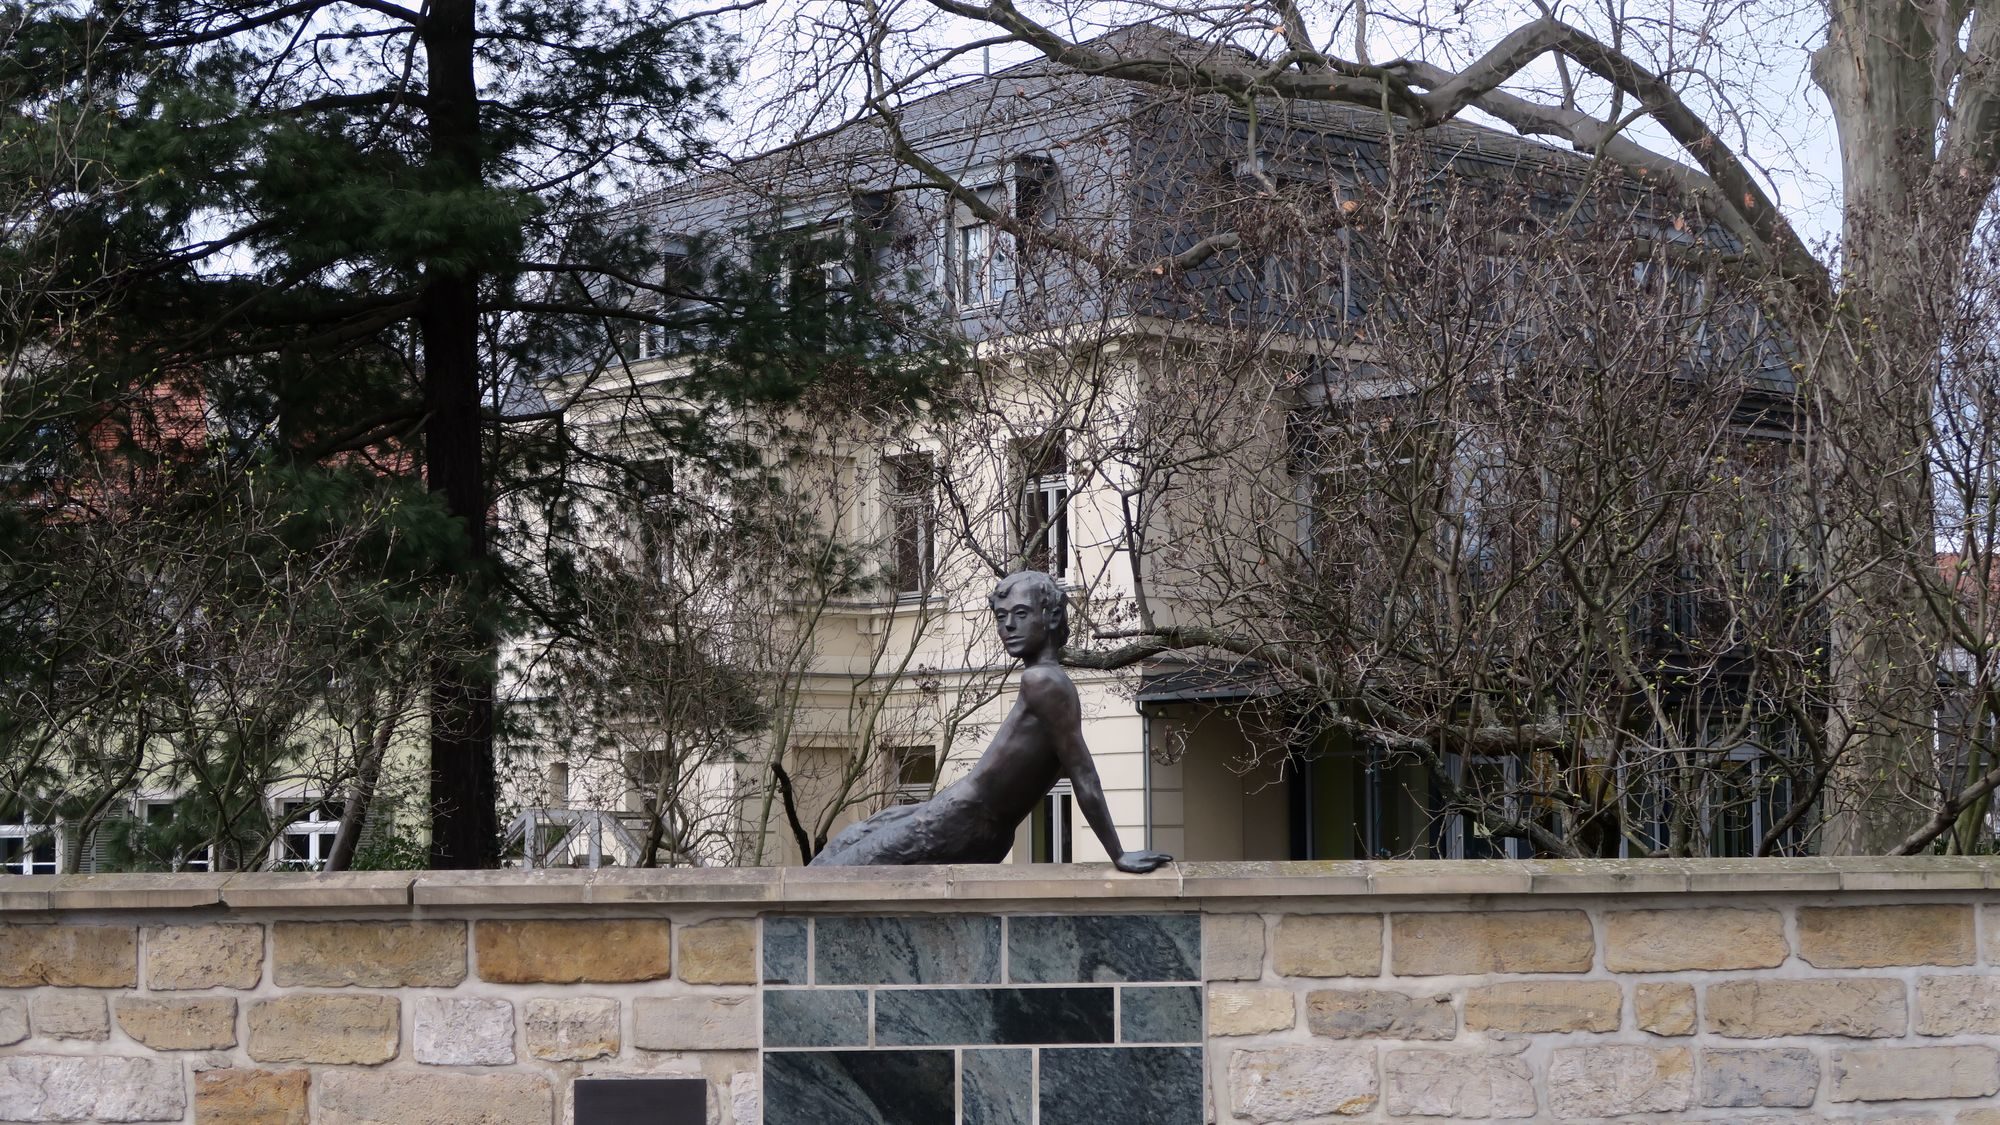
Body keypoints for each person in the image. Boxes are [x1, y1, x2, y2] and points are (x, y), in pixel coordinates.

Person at [809, 570, 1173, 872]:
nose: (1007, 627)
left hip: (964, 820)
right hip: (962, 816)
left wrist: (1118, 854)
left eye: (1020, 614)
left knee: (846, 866)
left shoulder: (1043, 682)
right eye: (1001, 617)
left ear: (1052, 617)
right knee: (854, 837)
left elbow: (1083, 774)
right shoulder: (1046, 680)